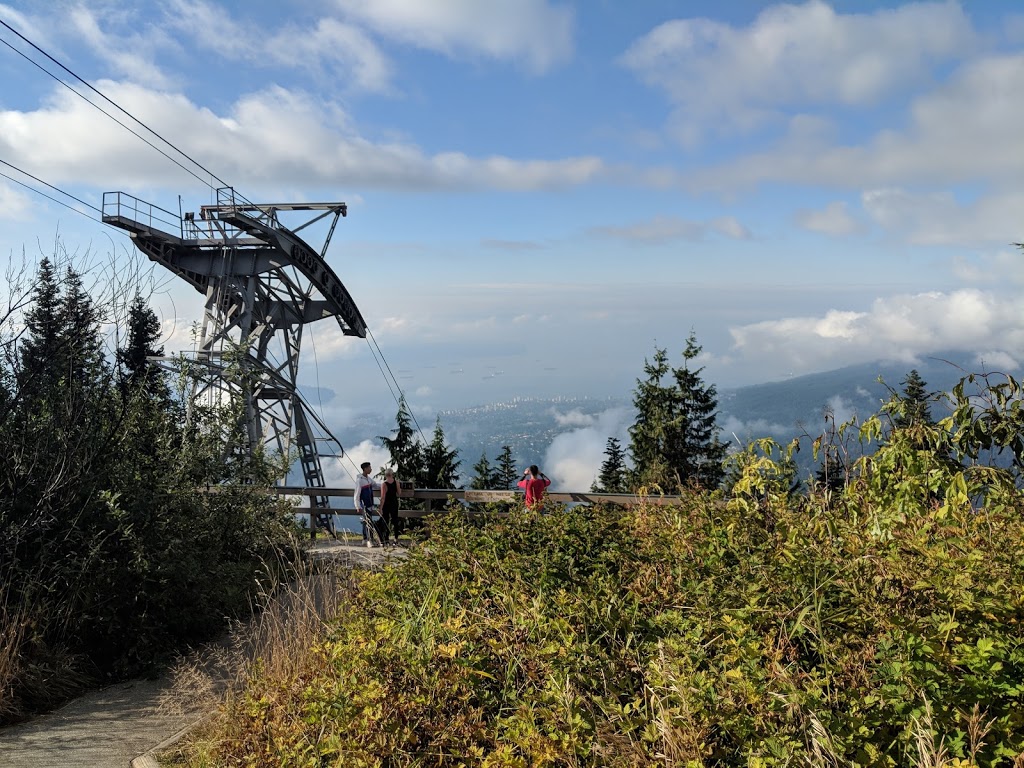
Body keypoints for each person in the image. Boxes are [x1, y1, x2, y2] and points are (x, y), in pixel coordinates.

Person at [354, 461, 381, 547]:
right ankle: (369, 540)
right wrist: (357, 505)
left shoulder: (369, 479)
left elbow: (376, 485)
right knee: (368, 522)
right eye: (369, 468)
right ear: (365, 469)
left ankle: (365, 539)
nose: (371, 469)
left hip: (369, 504)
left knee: (366, 522)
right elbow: (357, 493)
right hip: (364, 504)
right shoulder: (360, 480)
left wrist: (385, 485)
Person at [379, 468, 401, 546]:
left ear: (385, 475)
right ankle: (396, 538)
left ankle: (386, 539)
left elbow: (383, 497)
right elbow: (399, 493)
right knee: (395, 520)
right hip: (394, 503)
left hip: (386, 504)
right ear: (392, 474)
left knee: (386, 521)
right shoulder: (396, 482)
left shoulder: (384, 484)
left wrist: (380, 507)